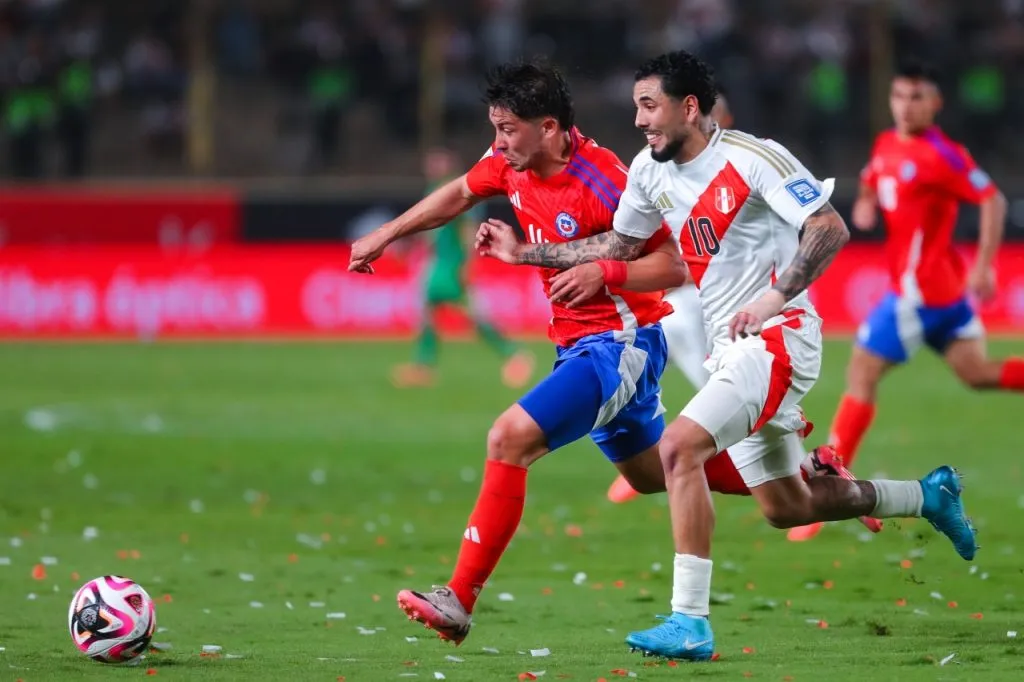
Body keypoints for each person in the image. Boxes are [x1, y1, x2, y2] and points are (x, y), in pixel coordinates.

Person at [476, 50, 977, 661]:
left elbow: (828, 227)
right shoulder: (649, 171)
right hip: (731, 348)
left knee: (678, 447)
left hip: (779, 337)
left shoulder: (752, 158)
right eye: (637, 106)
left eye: (649, 106)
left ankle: (690, 621)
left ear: (689, 107)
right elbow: (621, 242)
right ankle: (927, 496)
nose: (638, 120)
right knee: (787, 506)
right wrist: (527, 254)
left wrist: (774, 296)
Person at [349, 59, 721, 646]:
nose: (497, 144)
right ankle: (798, 479)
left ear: (548, 127)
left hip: (620, 345)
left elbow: (676, 265)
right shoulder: (508, 164)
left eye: (508, 130)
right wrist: (386, 234)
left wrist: (606, 269)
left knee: (508, 438)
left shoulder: (607, 180)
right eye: (495, 129)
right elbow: (457, 195)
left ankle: (459, 598)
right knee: (659, 471)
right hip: (577, 347)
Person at [788, 60, 1023, 542]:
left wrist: (984, 266)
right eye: (899, 96)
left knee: (860, 373)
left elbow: (993, 201)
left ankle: (829, 495)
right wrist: (867, 201)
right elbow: (873, 175)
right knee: (977, 374)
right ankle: (832, 489)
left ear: (934, 104)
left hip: (920, 293)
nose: (906, 105)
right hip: (945, 294)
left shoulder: (944, 154)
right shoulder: (886, 145)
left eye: (917, 97)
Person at [606, 86, 732, 504]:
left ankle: (666, 454)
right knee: (690, 365)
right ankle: (657, 456)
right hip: (688, 291)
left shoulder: (737, 170)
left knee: (714, 378)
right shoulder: (662, 168)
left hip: (715, 294)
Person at [391, 146, 534, 389]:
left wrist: (468, 264)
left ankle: (514, 354)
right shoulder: (434, 191)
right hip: (438, 265)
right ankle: (423, 365)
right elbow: (431, 233)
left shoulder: (460, 194)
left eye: (438, 162)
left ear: (450, 166)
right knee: (426, 310)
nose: (432, 167)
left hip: (452, 265)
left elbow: (469, 231)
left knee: (474, 315)